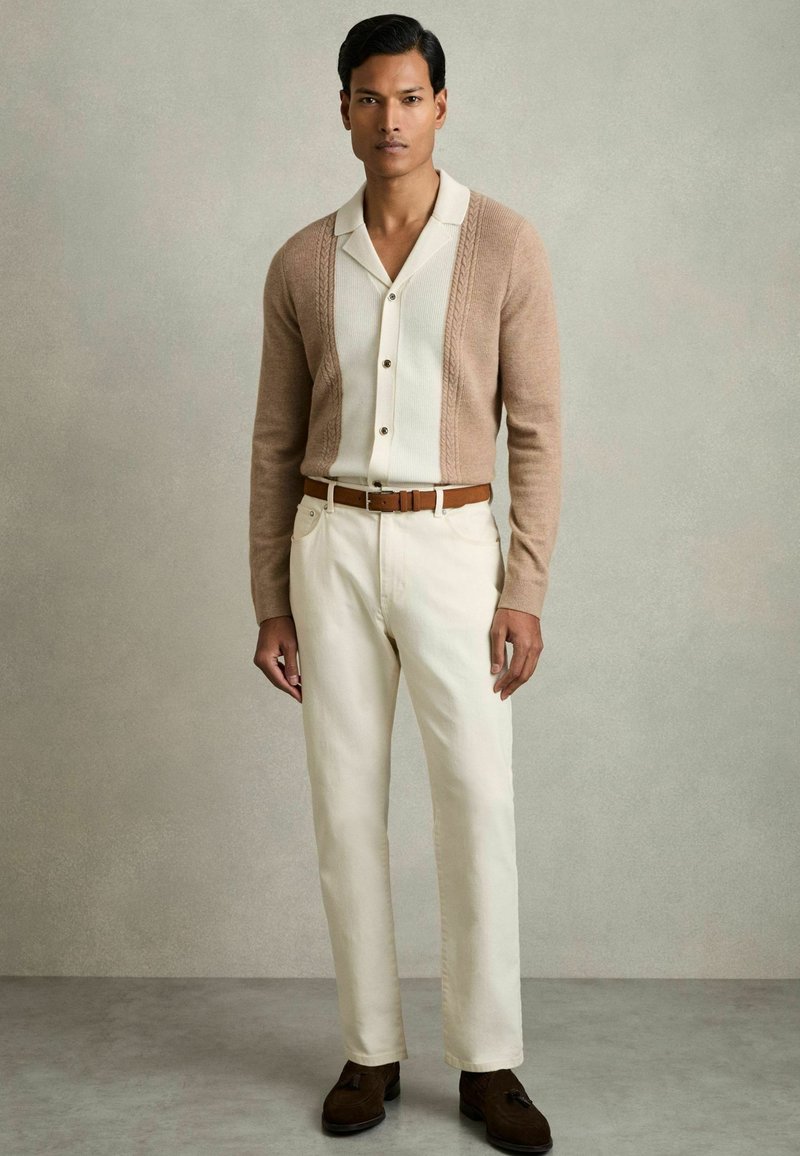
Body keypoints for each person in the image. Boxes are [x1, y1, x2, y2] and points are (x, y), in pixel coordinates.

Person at [249, 14, 561, 1153]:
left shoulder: (504, 244)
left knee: (476, 800)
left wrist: (522, 587)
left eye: (411, 97)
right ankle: (368, 1050)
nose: (392, 118)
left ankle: (488, 1062)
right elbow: (274, 441)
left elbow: (537, 431)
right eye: (371, 97)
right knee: (343, 807)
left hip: (452, 546)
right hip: (329, 543)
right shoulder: (301, 259)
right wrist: (270, 599)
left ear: (441, 106)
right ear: (342, 108)